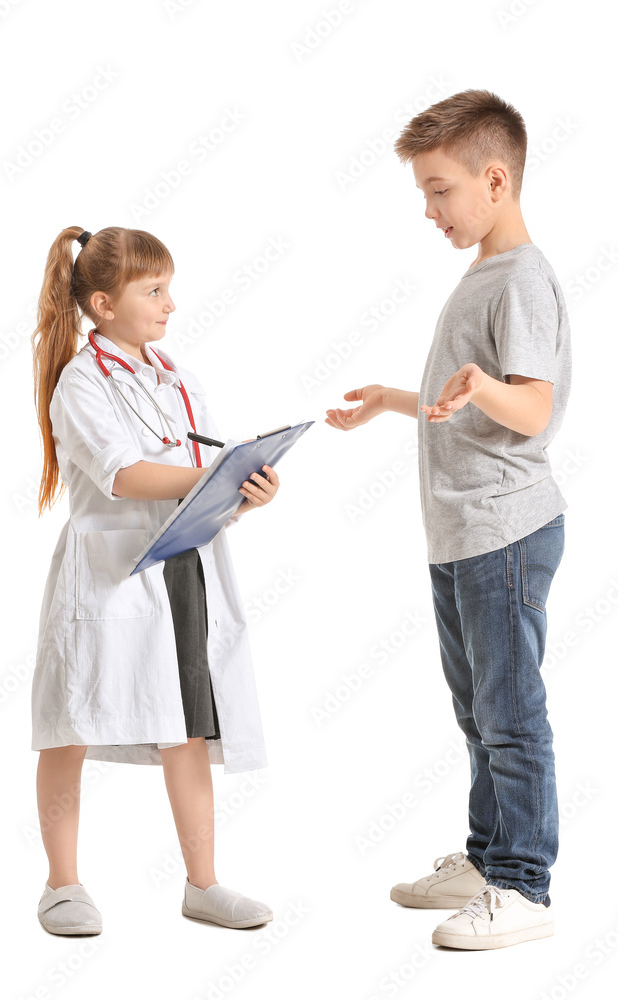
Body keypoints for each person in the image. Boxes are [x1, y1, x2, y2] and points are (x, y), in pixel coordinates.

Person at [326, 89, 571, 950]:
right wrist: (396, 399)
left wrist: (486, 388)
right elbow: (468, 403)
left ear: (494, 180)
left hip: (503, 530)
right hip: (463, 533)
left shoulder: (523, 279)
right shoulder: (485, 272)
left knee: (510, 715)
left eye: (439, 191)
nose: (428, 210)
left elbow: (532, 410)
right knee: (476, 712)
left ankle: (523, 886)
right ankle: (486, 855)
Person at [30, 226, 279, 936]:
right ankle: (61, 885)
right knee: (69, 725)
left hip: (182, 565)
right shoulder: (81, 382)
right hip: (106, 576)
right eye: (155, 290)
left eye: (168, 287)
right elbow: (122, 473)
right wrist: (215, 474)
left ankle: (203, 885)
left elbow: (195, 472)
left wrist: (243, 489)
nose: (171, 303)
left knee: (187, 731)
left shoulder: (176, 377)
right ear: (103, 304)